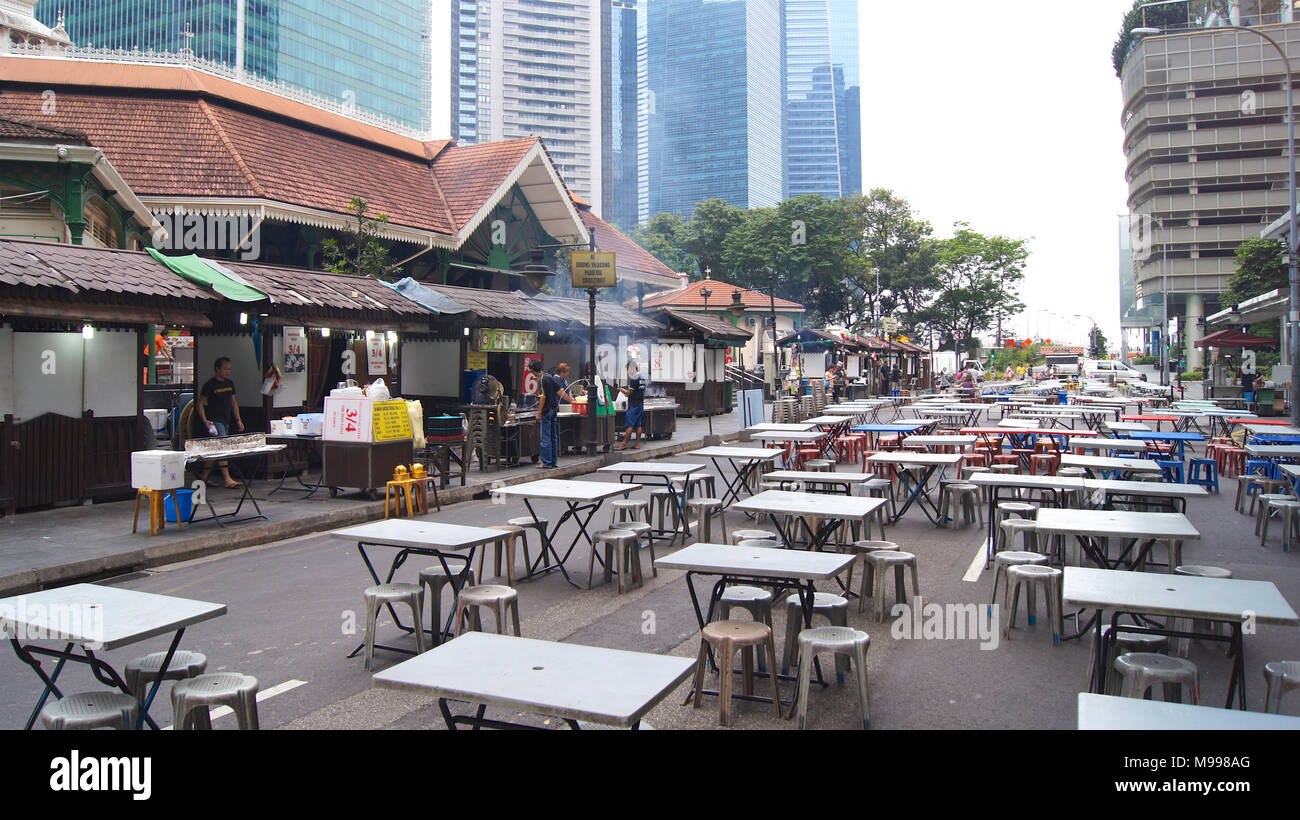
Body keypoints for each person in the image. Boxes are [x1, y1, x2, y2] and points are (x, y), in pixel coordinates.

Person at [197, 356, 244, 488]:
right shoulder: (210, 385)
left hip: (226, 420)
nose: (228, 371)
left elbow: (233, 402)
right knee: (222, 447)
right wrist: (205, 420)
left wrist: (238, 419)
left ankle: (203, 479)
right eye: (225, 369)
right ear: (217, 369)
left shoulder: (229, 384)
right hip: (214, 421)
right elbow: (200, 404)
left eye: (229, 369)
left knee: (214, 449)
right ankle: (228, 479)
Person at [532, 359, 574, 469]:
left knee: (545, 438)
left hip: (546, 411)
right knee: (553, 437)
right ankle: (553, 462)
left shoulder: (541, 379)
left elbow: (542, 398)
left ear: (533, 370)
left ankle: (546, 462)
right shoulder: (549, 377)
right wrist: (572, 401)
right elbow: (560, 392)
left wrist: (539, 413)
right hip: (554, 410)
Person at [615, 363, 646, 450]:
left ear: (632, 368)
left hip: (634, 405)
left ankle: (624, 444)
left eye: (628, 369)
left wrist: (622, 390)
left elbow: (629, 393)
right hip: (640, 404)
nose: (628, 372)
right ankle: (637, 444)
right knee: (638, 425)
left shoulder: (634, 378)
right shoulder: (642, 377)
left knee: (630, 425)